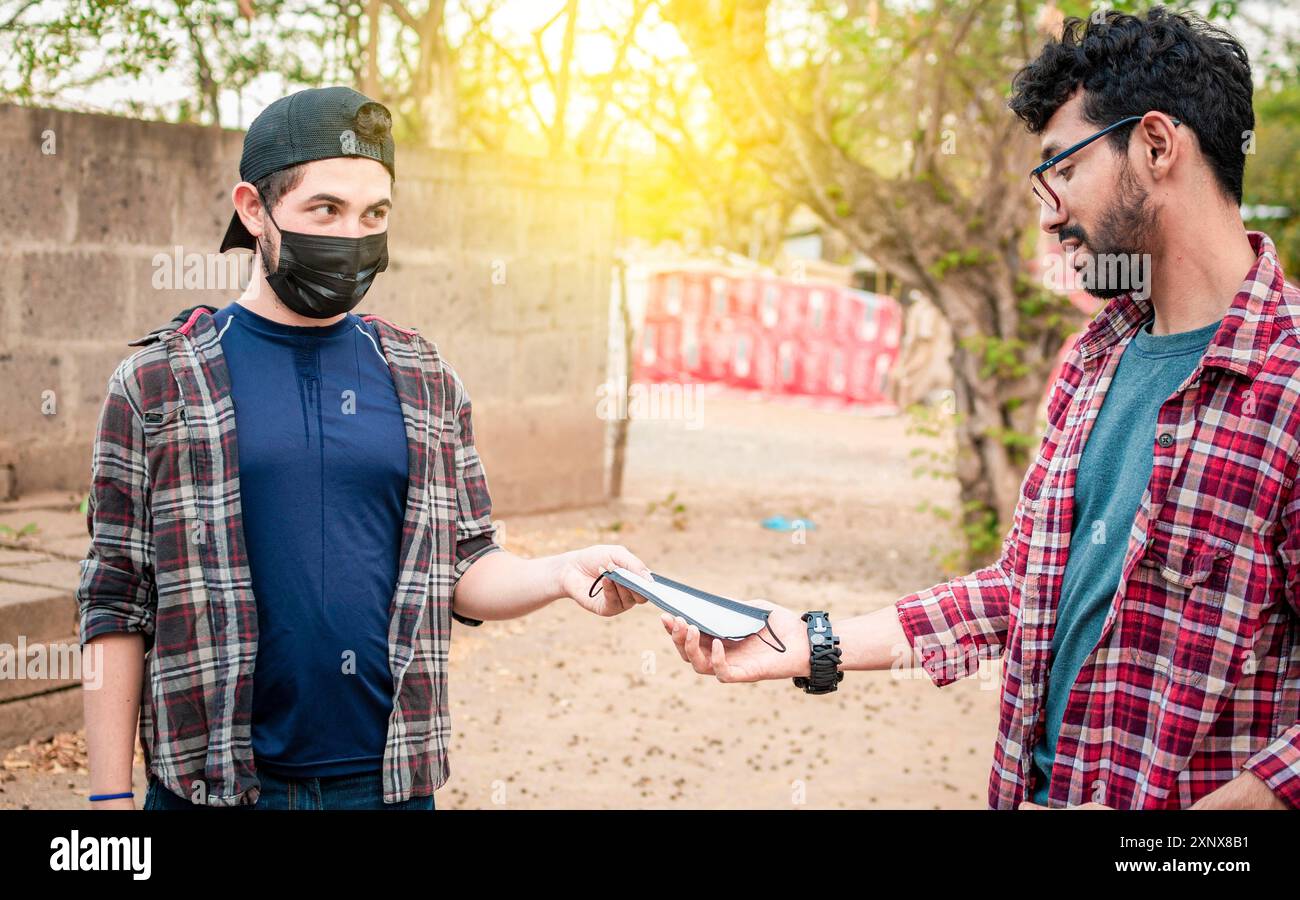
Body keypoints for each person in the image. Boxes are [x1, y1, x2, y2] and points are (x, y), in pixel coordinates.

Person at [663, 7, 1298, 810]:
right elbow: (1020, 589)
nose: (1047, 214)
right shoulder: (1093, 360)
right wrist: (808, 641)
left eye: (1061, 170)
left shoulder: (1289, 379)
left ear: (1158, 146)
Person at [76, 86, 650, 810]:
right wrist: (108, 802)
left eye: (374, 215)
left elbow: (463, 563)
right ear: (254, 210)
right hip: (212, 788)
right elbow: (117, 599)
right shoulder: (159, 384)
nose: (352, 237)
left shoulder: (422, 378)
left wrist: (565, 572)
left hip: (387, 786)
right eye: (325, 210)